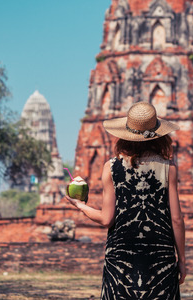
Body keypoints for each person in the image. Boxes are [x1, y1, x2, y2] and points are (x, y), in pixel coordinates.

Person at [66, 101, 186, 299]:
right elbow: (177, 220)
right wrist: (181, 260)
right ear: (158, 136)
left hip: (121, 260)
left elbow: (106, 219)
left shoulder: (111, 167)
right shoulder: (168, 168)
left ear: (125, 135)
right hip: (160, 258)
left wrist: (80, 205)